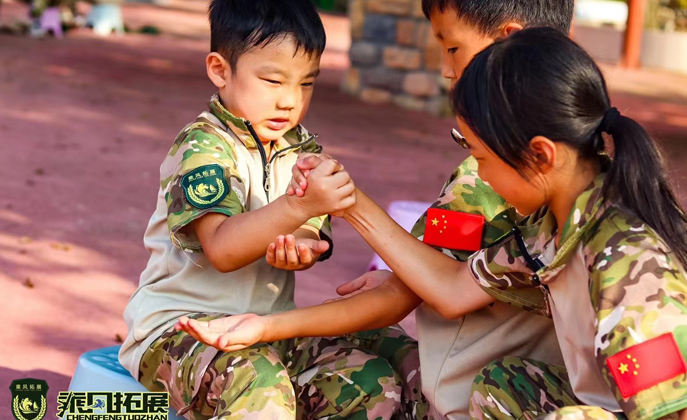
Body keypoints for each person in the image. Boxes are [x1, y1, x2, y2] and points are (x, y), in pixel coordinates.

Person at [177, 1, 579, 418]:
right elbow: (438, 277)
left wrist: (334, 214)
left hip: (508, 394)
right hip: (193, 330)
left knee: (276, 386)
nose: (445, 69)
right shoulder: (208, 144)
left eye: (452, 48)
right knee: (371, 363)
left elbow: (442, 289)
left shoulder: (525, 186)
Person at [118, 0, 421, 418]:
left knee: (373, 379)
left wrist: (300, 247)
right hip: (180, 331)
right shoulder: (204, 147)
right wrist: (299, 207)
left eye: (306, 83)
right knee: (259, 381)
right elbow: (222, 248)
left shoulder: (302, 149)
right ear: (220, 70)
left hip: (267, 329)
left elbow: (309, 230)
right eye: (273, 80)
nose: (290, 101)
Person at [447, 27, 687, 420]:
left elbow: (674, 410)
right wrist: (354, 206)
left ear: (540, 155)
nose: (479, 172)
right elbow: (453, 288)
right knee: (505, 385)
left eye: (482, 157)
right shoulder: (554, 226)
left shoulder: (626, 260)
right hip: (614, 406)